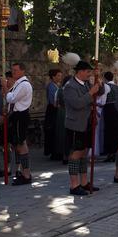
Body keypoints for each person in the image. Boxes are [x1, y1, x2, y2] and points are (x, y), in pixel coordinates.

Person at [63, 60, 102, 195]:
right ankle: (74, 185)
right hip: (75, 124)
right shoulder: (70, 86)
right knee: (76, 154)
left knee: (84, 152)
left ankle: (84, 182)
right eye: (87, 71)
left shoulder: (86, 84)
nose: (89, 74)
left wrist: (98, 79)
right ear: (80, 71)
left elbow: (100, 91)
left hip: (86, 123)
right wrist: (90, 92)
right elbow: (77, 104)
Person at [2, 62, 33, 186]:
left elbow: (11, 98)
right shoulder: (18, 84)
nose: (13, 72)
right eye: (12, 70)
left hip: (21, 116)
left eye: (16, 70)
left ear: (22, 71)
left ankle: (26, 173)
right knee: (18, 143)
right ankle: (22, 171)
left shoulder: (24, 85)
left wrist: (4, 87)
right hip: (16, 116)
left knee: (21, 143)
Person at [43, 69, 62, 160]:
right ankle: (54, 152)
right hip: (52, 110)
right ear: (53, 77)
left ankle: (56, 150)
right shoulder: (51, 86)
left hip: (55, 109)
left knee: (56, 131)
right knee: (53, 131)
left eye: (60, 75)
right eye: (58, 75)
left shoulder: (57, 85)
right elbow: (52, 101)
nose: (60, 77)